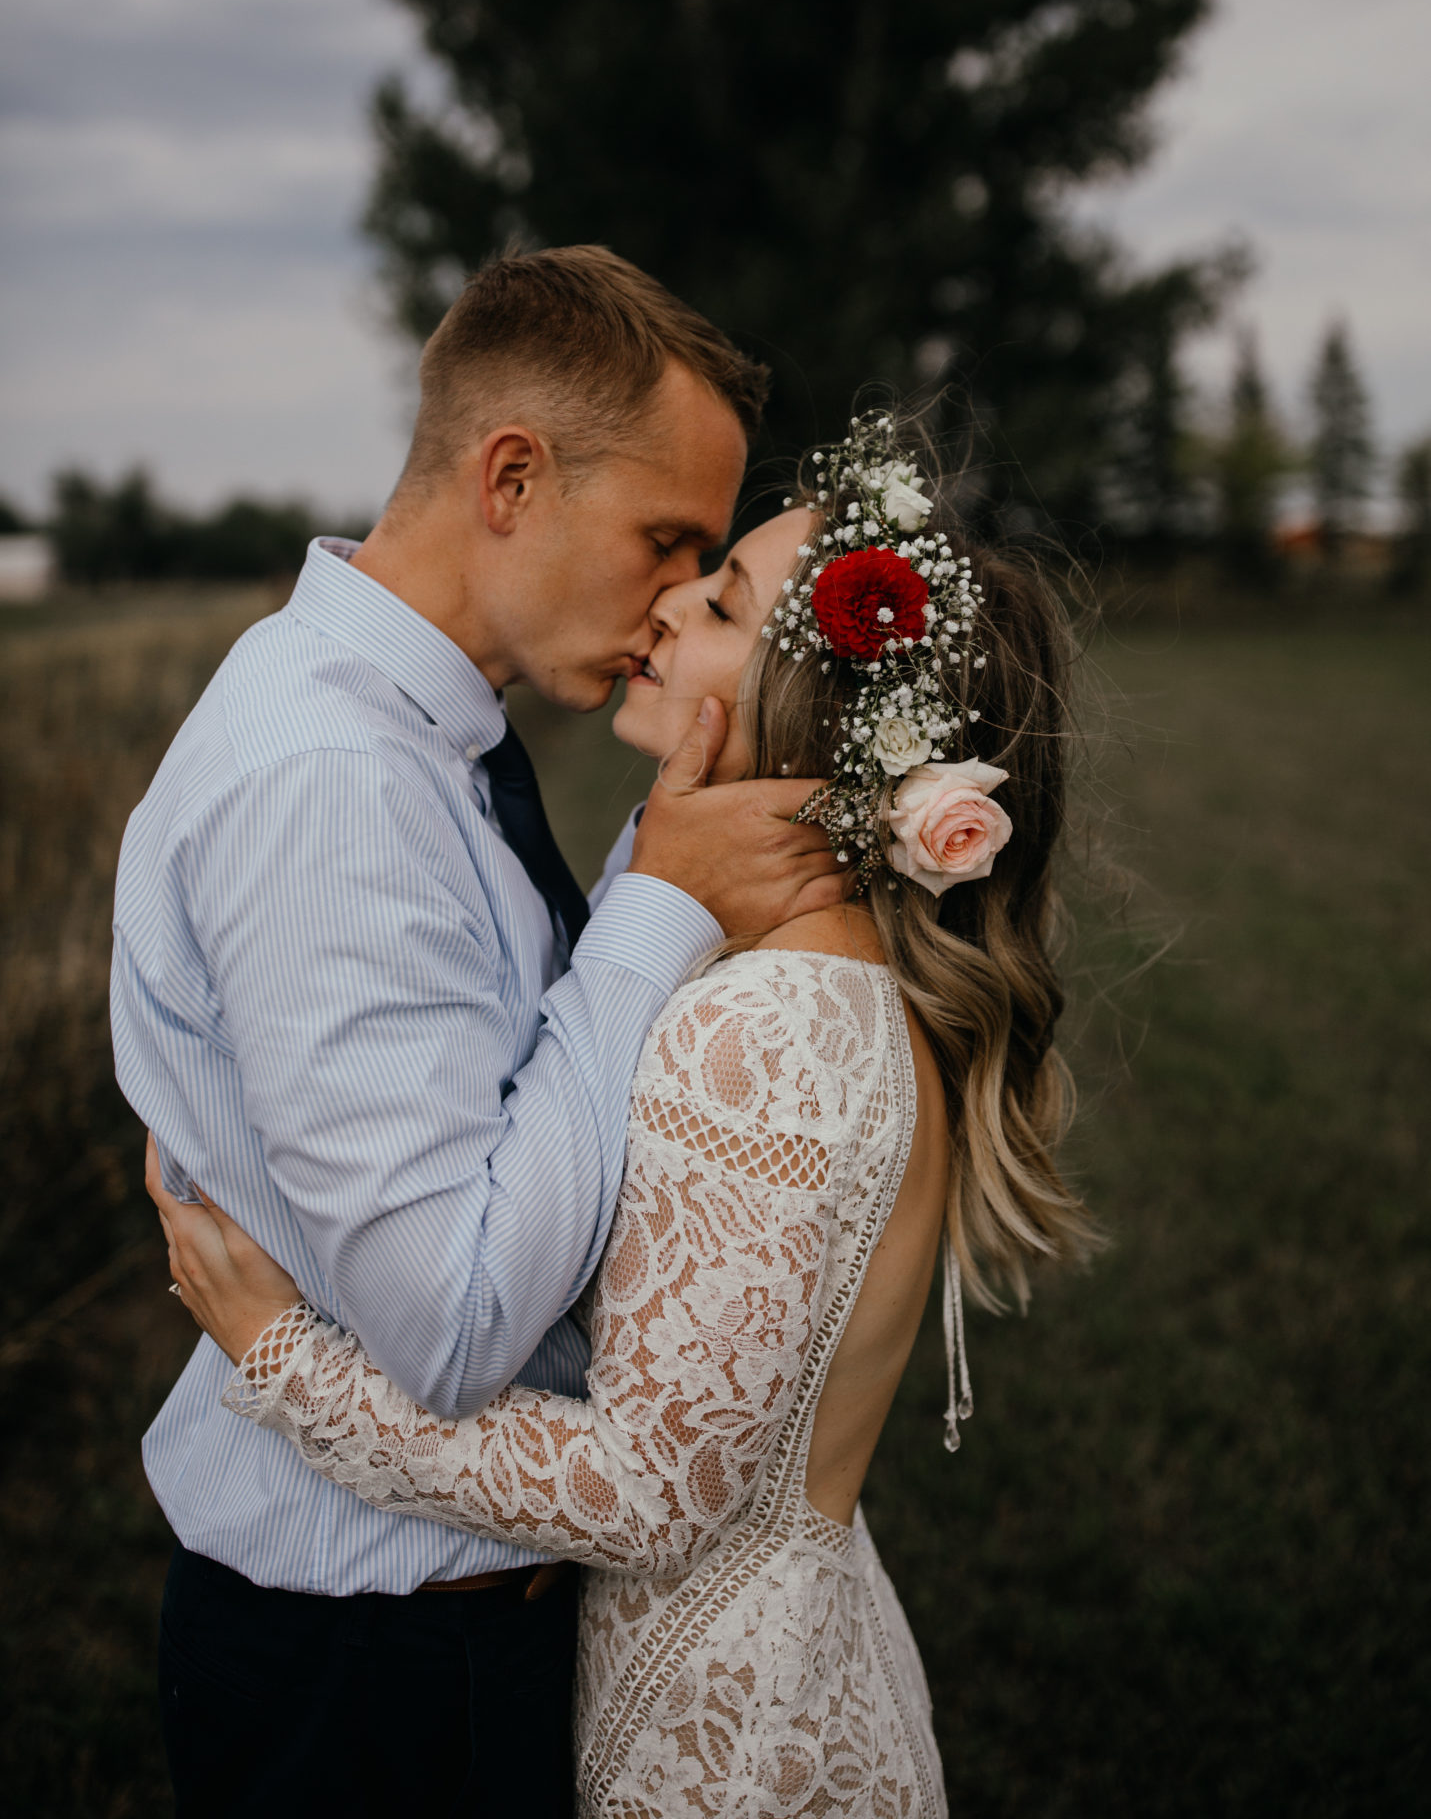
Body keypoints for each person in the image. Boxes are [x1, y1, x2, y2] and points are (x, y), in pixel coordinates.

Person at [153, 411, 1099, 1819]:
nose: (667, 602)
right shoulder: (808, 975)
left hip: (705, 1725)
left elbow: (647, 1491)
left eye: (720, 601)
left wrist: (286, 1361)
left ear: (825, 710)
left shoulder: (765, 1026)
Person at [113, 247, 848, 1819]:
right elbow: (447, 1323)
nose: (674, 604)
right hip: (373, 1672)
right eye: (669, 541)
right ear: (513, 476)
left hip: (427, 1635)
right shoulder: (334, 784)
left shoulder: (413, 742)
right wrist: (654, 903)